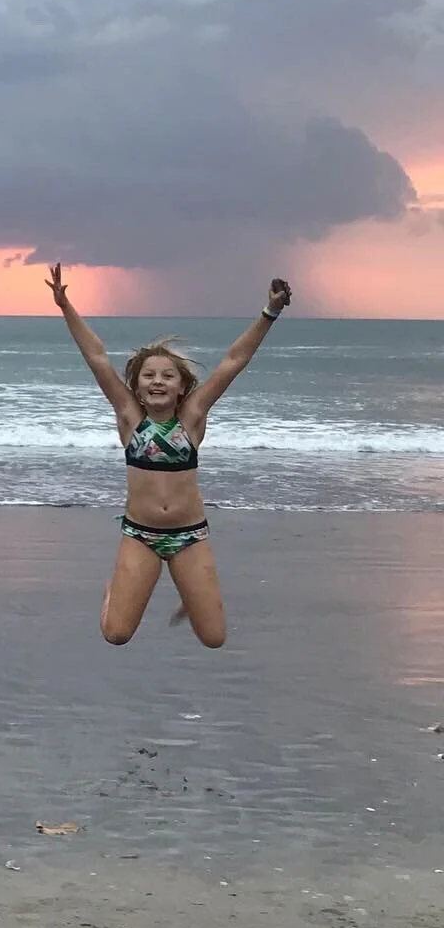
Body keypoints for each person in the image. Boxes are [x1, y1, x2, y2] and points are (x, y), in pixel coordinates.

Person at [47, 264, 291, 649]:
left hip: (189, 537)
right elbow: (95, 356)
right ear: (138, 388)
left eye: (167, 376)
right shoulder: (129, 418)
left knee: (214, 639)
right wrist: (65, 305)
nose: (157, 381)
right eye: (148, 376)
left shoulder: (192, 418)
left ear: (182, 388)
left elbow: (233, 362)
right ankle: (117, 590)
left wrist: (270, 312)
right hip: (140, 536)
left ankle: (190, 589)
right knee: (116, 634)